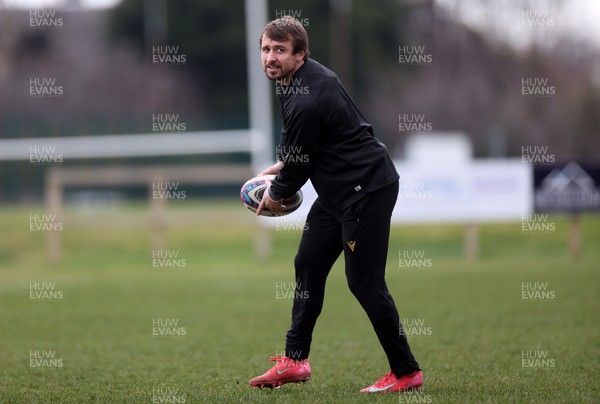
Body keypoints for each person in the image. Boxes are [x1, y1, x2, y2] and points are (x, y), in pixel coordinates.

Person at [249, 16, 422, 394]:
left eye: (280, 50)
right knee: (308, 263)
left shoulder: (306, 96)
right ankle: (294, 360)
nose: (271, 58)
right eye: (266, 49)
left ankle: (406, 371)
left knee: (363, 282)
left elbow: (299, 165)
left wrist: (275, 195)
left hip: (365, 191)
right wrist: (285, 161)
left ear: (301, 54)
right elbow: (301, 144)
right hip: (336, 192)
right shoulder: (294, 80)